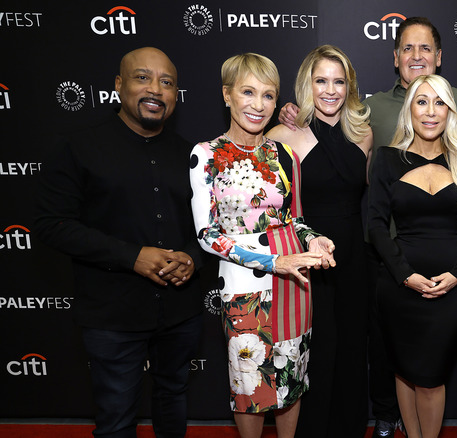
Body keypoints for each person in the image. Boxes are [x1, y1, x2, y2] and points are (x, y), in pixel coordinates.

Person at [278, 17, 457, 437]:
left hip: (445, 273)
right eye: (408, 49)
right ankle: (382, 418)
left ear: (440, 59)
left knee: (425, 370)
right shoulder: (366, 111)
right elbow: (328, 118)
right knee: (381, 356)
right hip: (385, 265)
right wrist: (293, 108)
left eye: (425, 49)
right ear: (395, 58)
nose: (417, 57)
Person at [35, 47, 204, 437]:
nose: (155, 90)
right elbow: (51, 224)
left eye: (166, 82)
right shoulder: (78, 147)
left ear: (176, 94)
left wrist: (194, 259)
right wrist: (133, 257)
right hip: (112, 313)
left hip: (181, 311)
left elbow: (209, 227)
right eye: (143, 77)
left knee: (173, 401)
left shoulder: (193, 154)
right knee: (115, 418)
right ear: (118, 85)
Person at [189, 53, 336, 438]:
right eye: (248, 92)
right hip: (242, 288)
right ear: (227, 95)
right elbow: (207, 235)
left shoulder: (284, 154)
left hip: (294, 284)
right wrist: (274, 261)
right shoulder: (205, 155)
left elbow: (296, 220)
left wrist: (314, 240)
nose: (258, 104)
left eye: (268, 95)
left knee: (291, 377)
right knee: (248, 384)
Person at [367, 74, 457, 438]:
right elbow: (374, 225)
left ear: (450, 110)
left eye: (439, 102)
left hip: (451, 289)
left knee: (431, 378)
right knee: (405, 369)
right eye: (422, 102)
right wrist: (405, 275)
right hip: (400, 287)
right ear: (409, 109)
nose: (430, 111)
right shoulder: (388, 159)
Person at [265, 45, 373, 438]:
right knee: (313, 348)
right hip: (306, 257)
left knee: (349, 347)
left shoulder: (363, 135)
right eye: (321, 80)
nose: (331, 90)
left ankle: (348, 427)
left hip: (352, 257)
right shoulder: (282, 135)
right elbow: (271, 206)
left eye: (339, 81)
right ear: (307, 85)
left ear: (350, 86)